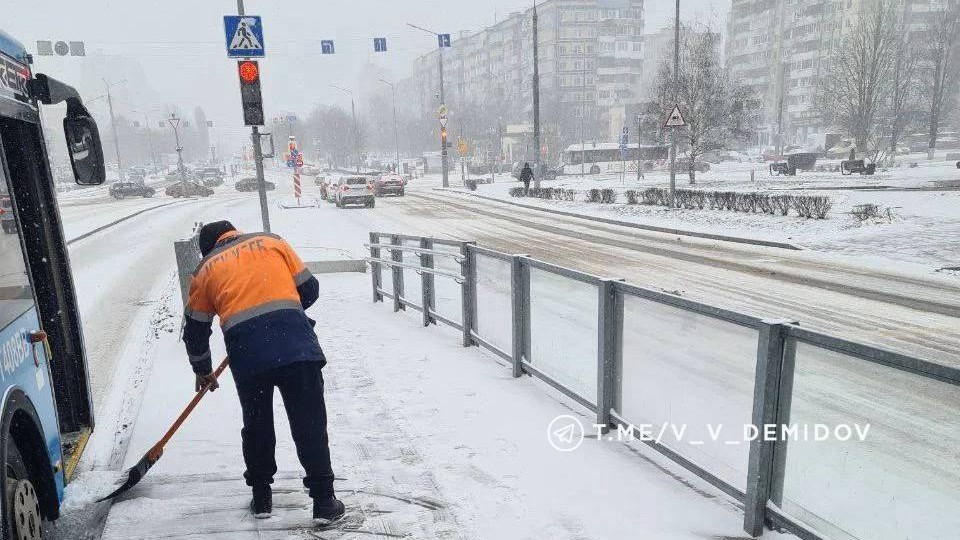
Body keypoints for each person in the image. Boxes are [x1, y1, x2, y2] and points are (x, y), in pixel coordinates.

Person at [183, 220, 345, 524]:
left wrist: (203, 370)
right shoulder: (272, 242)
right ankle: (324, 501)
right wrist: (282, 311)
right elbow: (310, 290)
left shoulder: (205, 269)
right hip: (297, 347)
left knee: (257, 425)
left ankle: (261, 498)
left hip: (248, 356)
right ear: (234, 233)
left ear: (208, 248)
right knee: (309, 423)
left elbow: (195, 330)